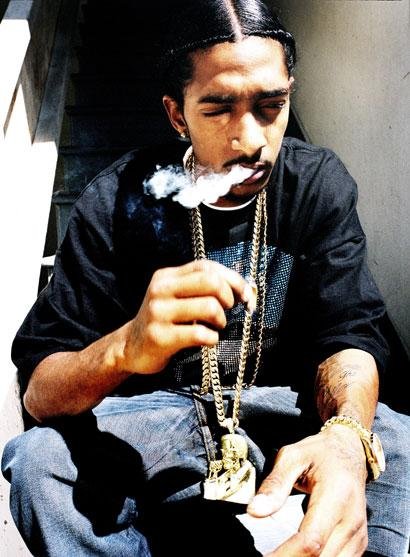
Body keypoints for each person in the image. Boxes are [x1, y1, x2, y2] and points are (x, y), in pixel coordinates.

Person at [2, 1, 409, 555]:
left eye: (271, 106)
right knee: (40, 461)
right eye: (218, 109)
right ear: (177, 115)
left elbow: (351, 336)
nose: (250, 140)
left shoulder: (316, 183)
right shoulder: (112, 201)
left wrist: (343, 438)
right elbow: (40, 395)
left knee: (388, 438)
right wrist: (122, 349)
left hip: (280, 412)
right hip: (161, 424)